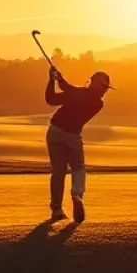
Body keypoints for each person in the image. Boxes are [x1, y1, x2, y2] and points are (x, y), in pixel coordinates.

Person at [44, 67, 112, 225]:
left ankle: (56, 209)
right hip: (72, 135)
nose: (105, 91)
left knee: (58, 172)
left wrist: (52, 80)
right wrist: (59, 80)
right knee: (78, 167)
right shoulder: (98, 103)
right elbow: (70, 89)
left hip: (54, 132)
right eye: (104, 87)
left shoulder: (78, 93)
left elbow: (51, 99)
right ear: (99, 87)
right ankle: (77, 194)